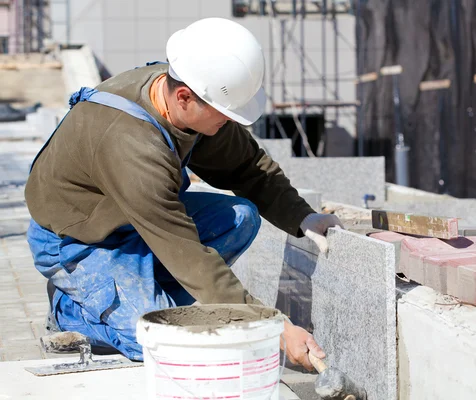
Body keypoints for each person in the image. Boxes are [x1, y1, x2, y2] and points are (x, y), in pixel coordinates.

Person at [24, 17, 343, 369]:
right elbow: (186, 252)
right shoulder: (132, 146)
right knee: (161, 341)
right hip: (77, 240)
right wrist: (272, 325)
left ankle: (134, 294)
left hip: (134, 218)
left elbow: (247, 167)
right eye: (225, 115)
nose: (230, 123)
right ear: (184, 98)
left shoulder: (191, 90)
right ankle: (72, 308)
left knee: (241, 218)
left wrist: (302, 217)